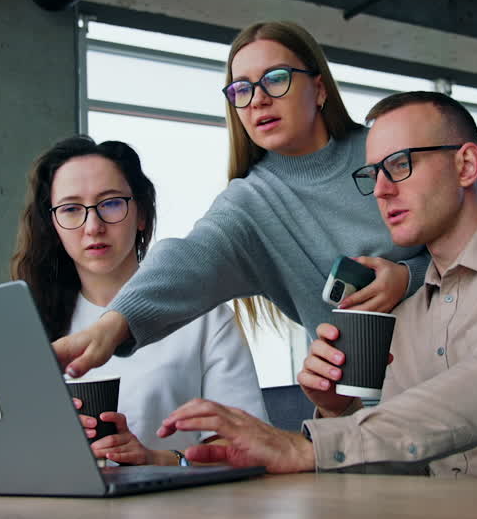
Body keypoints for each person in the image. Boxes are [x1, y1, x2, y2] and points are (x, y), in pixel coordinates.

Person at [156, 92, 477, 481]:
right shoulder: (403, 315)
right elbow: (404, 450)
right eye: (373, 172)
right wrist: (338, 407)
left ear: (466, 164)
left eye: (401, 164)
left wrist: (312, 446)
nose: (380, 189)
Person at [52, 22, 430, 378]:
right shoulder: (250, 203)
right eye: (241, 89)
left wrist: (407, 277)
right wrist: (111, 324)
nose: (258, 100)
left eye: (276, 79)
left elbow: (474, 244)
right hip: (363, 407)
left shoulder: (384, 151)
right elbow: (186, 258)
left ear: (319, 89)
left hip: (460, 372)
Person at [10, 136, 268, 465]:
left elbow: (246, 448)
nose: (93, 226)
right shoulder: (29, 322)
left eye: (111, 203)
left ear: (141, 214)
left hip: (181, 511)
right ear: (53, 225)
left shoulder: (205, 317)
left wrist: (157, 459)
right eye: (72, 209)